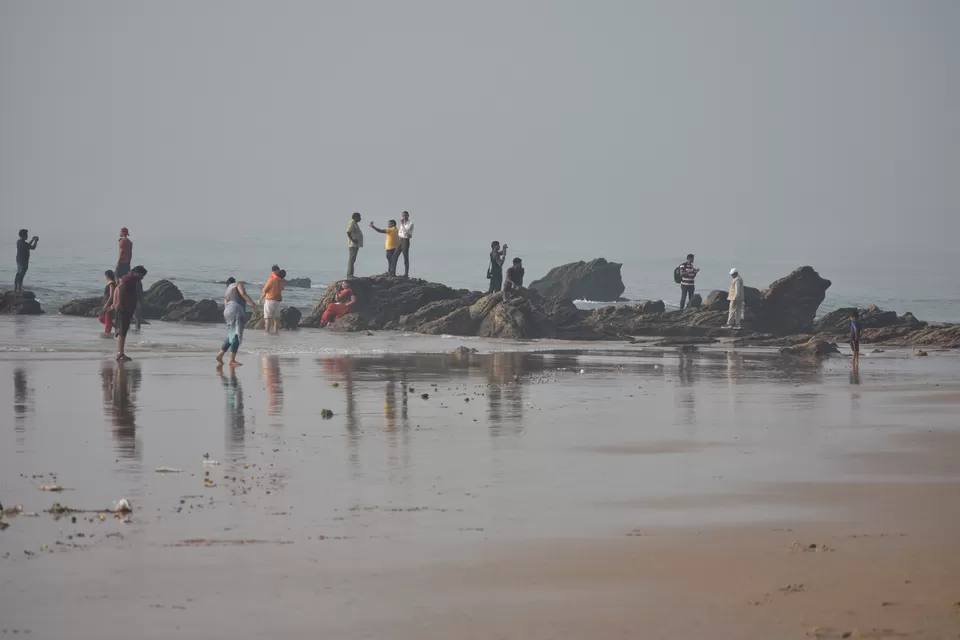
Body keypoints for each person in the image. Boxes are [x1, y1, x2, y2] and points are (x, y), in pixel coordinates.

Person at [217, 277, 257, 367]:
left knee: (231, 335)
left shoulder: (227, 292)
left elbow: (225, 304)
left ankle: (220, 355)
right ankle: (232, 360)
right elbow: (243, 293)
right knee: (236, 335)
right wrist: (252, 303)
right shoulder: (238, 284)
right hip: (236, 309)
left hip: (227, 311)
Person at [110, 265, 147, 362]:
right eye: (142, 276)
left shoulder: (129, 278)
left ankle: (120, 353)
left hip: (127, 308)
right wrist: (119, 303)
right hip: (124, 308)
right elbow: (120, 289)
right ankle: (120, 354)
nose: (142, 278)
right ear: (137, 273)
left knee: (123, 331)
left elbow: (117, 288)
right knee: (122, 332)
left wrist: (115, 302)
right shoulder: (129, 279)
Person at [259, 267, 286, 335]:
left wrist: (260, 299)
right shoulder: (282, 281)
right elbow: (282, 289)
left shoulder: (271, 280)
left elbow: (265, 290)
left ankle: (267, 333)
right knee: (276, 319)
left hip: (270, 301)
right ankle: (276, 333)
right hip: (278, 302)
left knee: (268, 318)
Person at [100, 270, 118, 337]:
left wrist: (106, 305)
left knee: (107, 321)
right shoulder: (111, 283)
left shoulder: (111, 284)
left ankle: (107, 336)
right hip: (107, 302)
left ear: (107, 276)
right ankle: (116, 326)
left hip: (109, 303)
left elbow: (111, 295)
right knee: (101, 318)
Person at [346, 213, 364, 278]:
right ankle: (349, 275)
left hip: (355, 245)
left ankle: (351, 274)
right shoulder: (352, 223)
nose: (360, 219)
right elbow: (348, 232)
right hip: (353, 245)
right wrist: (353, 240)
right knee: (351, 260)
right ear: (356, 217)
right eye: (359, 217)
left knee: (353, 260)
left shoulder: (355, 223)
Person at [398, 211, 414, 277]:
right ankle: (392, 272)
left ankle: (406, 274)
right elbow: (400, 232)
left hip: (405, 240)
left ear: (408, 215)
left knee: (405, 257)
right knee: (395, 256)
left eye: (405, 215)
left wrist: (402, 224)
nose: (404, 217)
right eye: (403, 215)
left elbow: (405, 232)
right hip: (400, 239)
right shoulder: (402, 223)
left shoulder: (410, 223)